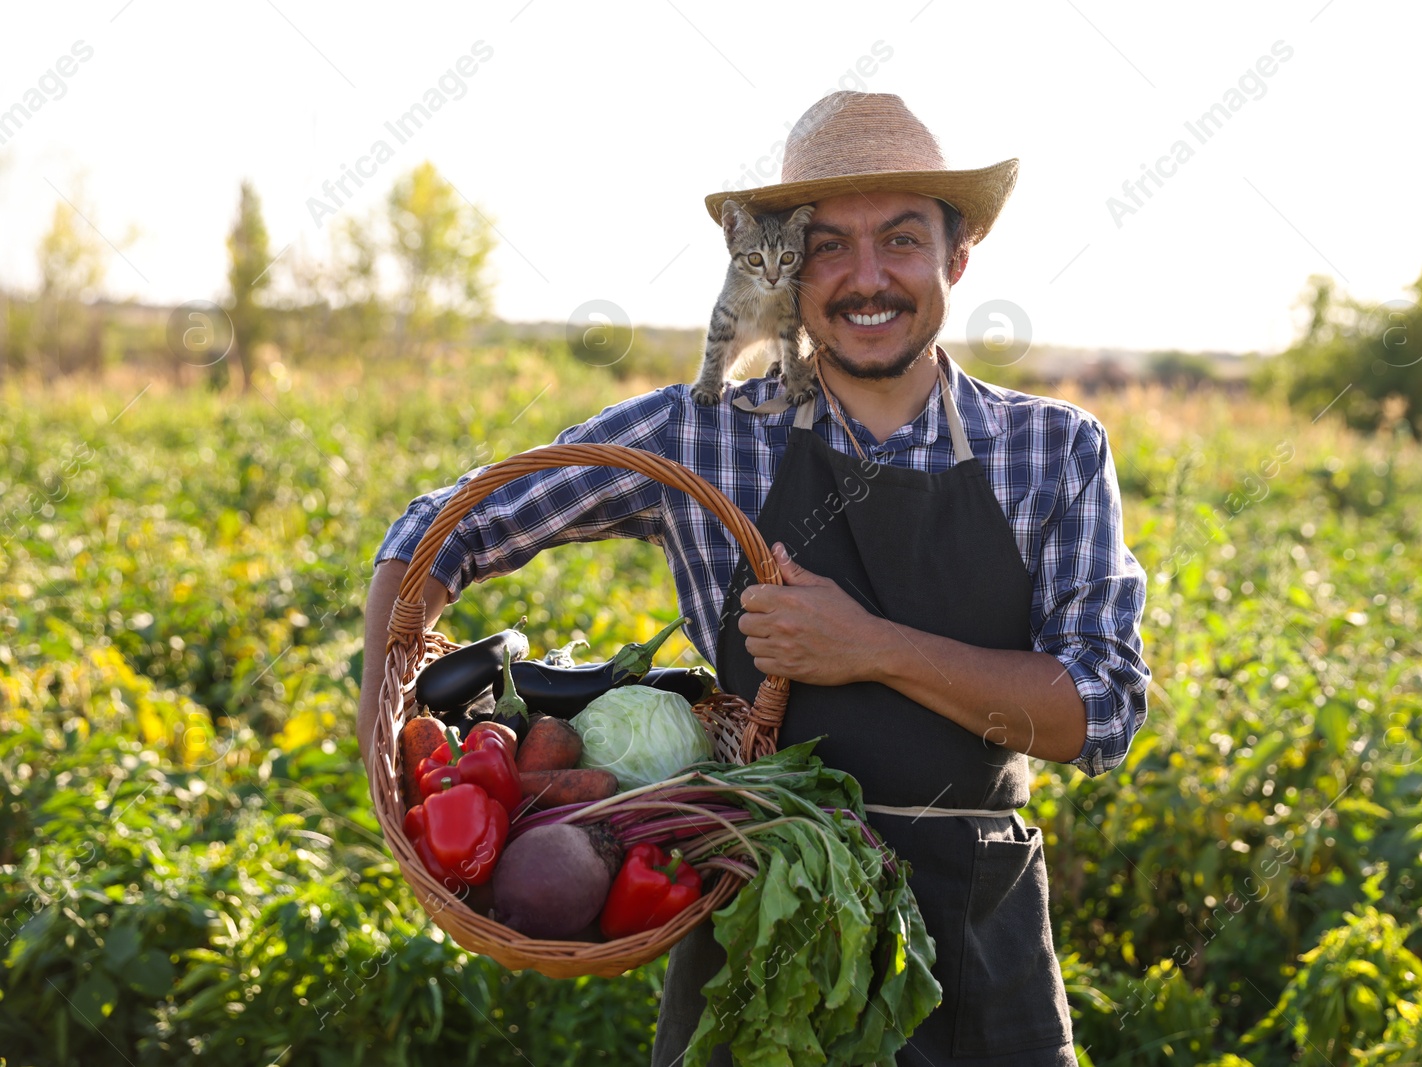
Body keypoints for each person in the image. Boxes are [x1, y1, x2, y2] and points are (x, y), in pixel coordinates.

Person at [358, 91, 1150, 1066]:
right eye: (827, 246)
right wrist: (385, 724)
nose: (866, 278)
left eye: (900, 240)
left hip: (977, 944)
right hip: (761, 930)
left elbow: (1098, 712)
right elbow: (435, 532)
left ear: (956, 257)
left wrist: (869, 648)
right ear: (786, 269)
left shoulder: (1050, 450)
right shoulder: (703, 432)